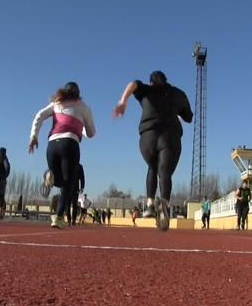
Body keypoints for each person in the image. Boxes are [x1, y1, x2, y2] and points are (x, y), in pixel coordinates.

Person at [113, 71, 193, 231]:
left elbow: (133, 83)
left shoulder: (146, 90)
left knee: (152, 167)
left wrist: (123, 101)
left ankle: (149, 204)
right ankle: (163, 204)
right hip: (170, 137)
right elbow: (188, 117)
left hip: (148, 136)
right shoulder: (178, 93)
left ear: (151, 83)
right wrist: (175, 109)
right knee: (165, 174)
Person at [29, 82, 96, 229]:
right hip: (70, 144)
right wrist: (81, 127)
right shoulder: (83, 107)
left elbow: (39, 116)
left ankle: (49, 178)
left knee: (58, 181)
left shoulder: (56, 103)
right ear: (78, 93)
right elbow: (91, 133)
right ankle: (58, 217)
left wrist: (33, 136)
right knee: (68, 185)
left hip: (52, 145)